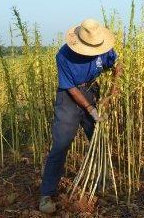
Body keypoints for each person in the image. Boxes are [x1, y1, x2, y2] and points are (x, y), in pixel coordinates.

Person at [39, 18, 121, 214]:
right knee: (61, 144)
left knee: (98, 137)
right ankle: (46, 194)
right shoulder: (64, 55)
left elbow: (117, 64)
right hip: (69, 96)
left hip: (92, 90)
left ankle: (103, 184)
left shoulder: (103, 48)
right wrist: (90, 109)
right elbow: (70, 88)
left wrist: (114, 90)